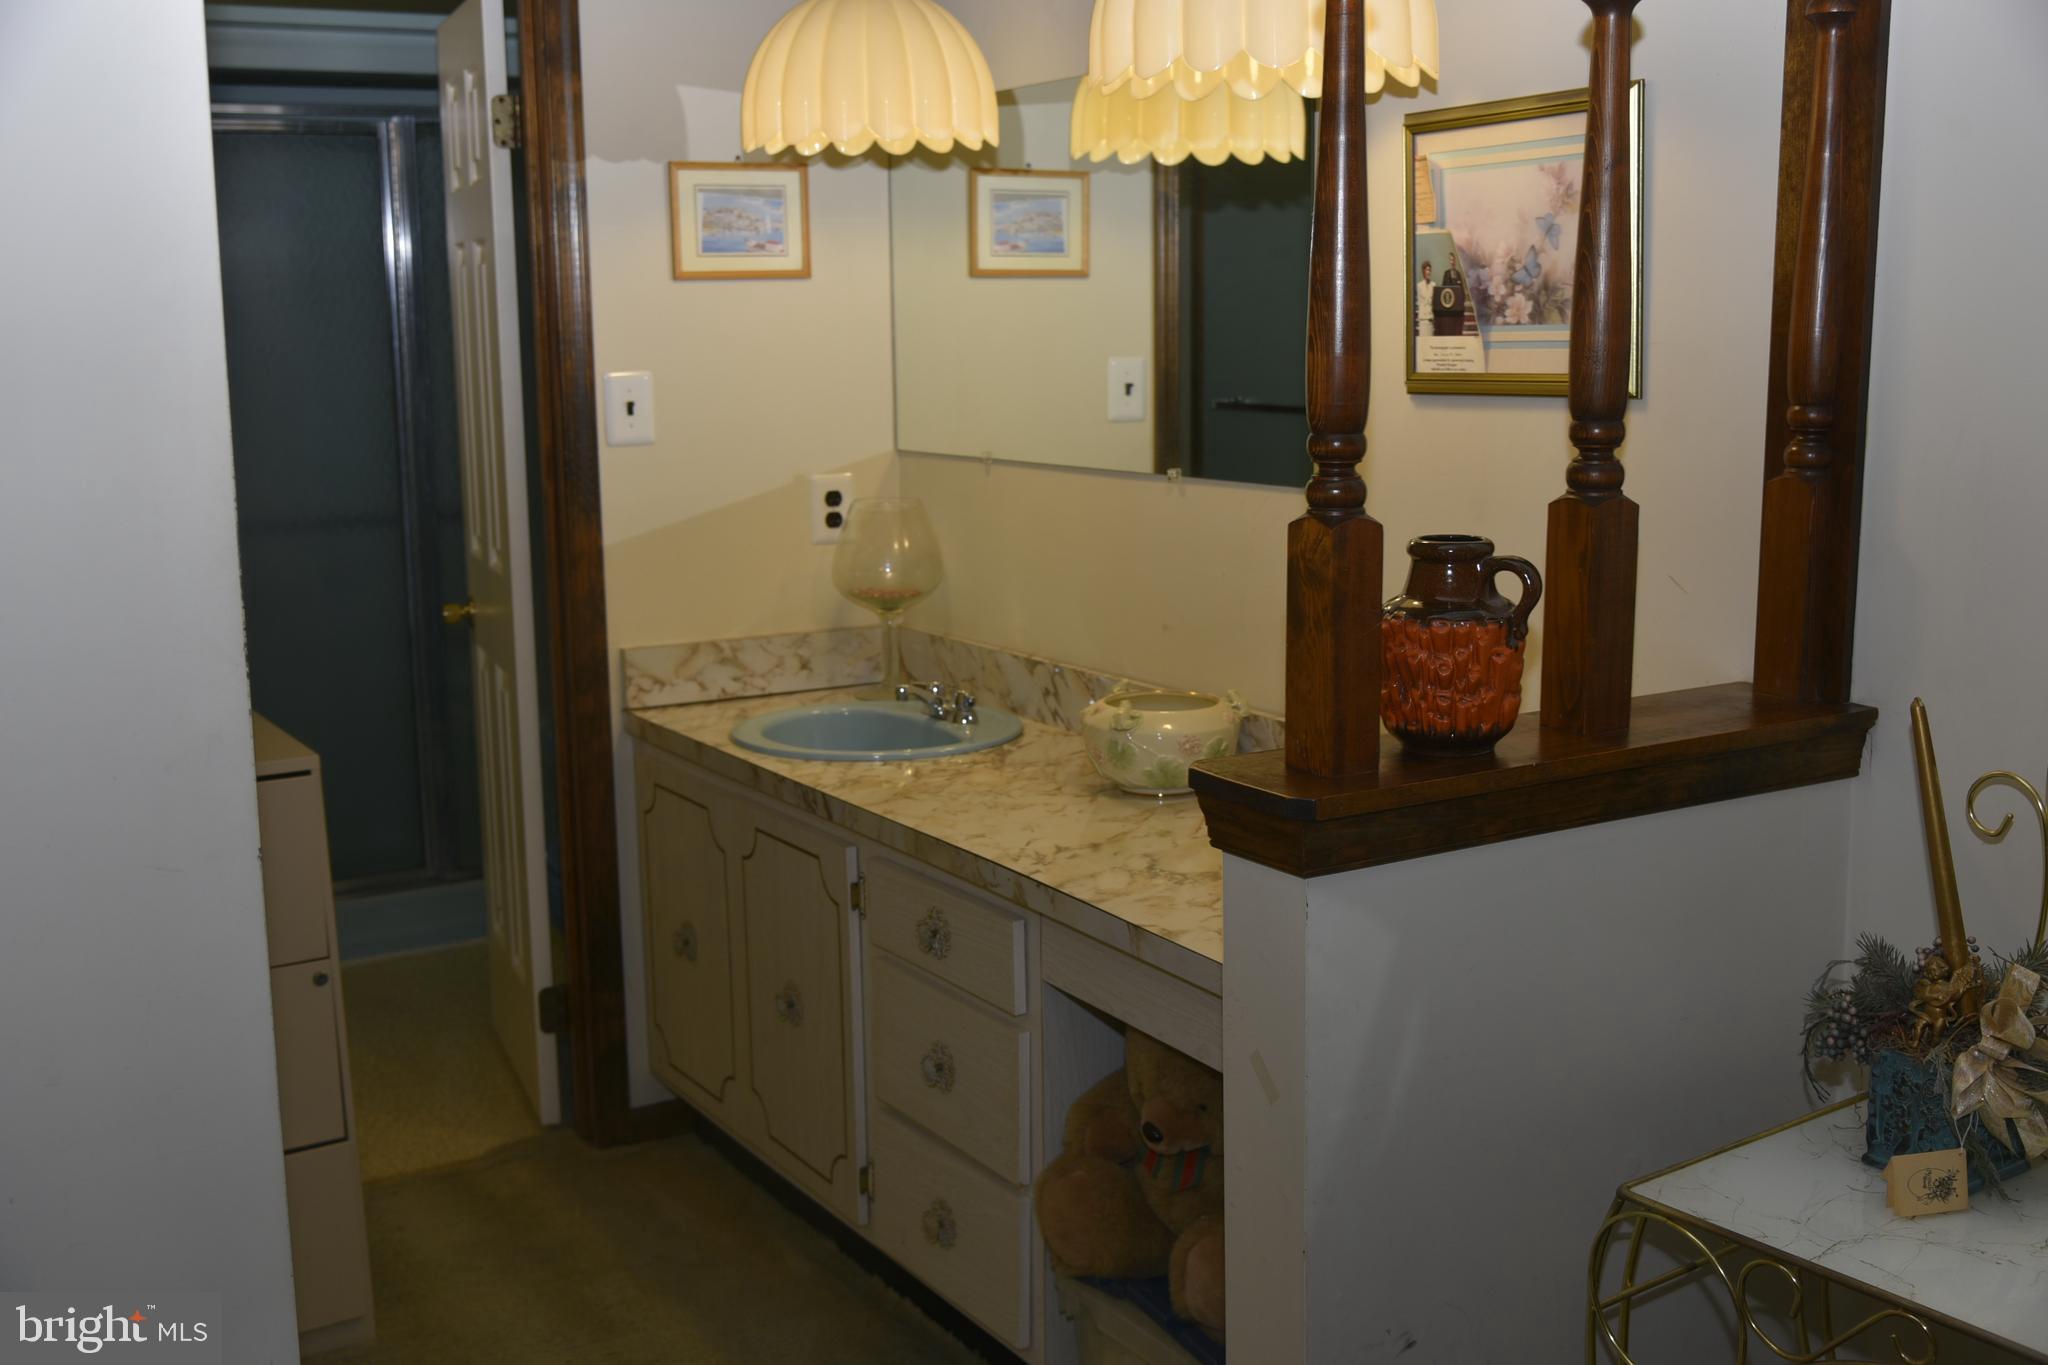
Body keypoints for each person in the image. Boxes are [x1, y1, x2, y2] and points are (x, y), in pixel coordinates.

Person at [1415, 261, 1436, 338]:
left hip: (1431, 319)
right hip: (1423, 319)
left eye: (1429, 270)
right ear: (1423, 271)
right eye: (1427, 270)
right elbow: (1420, 303)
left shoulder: (1433, 285)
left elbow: (1433, 302)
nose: (1428, 272)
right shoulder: (1419, 286)